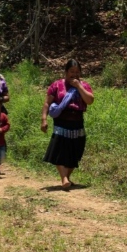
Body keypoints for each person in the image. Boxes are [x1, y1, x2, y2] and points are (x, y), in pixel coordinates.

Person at [41, 59, 94, 189]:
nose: (74, 75)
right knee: (59, 149)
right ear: (66, 72)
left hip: (77, 121)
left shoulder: (84, 85)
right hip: (61, 120)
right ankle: (64, 178)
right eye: (71, 72)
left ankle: (67, 178)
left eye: (77, 72)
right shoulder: (57, 85)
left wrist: (79, 86)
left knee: (76, 150)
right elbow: (47, 103)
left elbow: (90, 100)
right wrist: (44, 119)